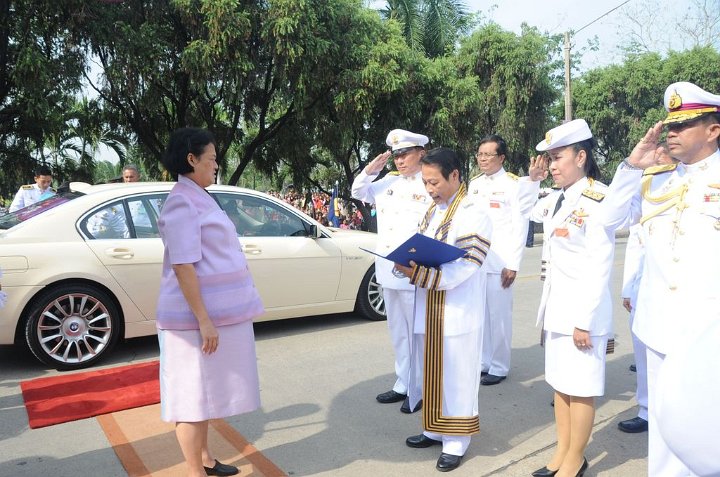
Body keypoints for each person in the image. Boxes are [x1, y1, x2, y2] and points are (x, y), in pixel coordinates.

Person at [600, 81, 720, 476]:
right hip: (659, 325)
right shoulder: (653, 178)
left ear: (713, 129)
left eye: (683, 125)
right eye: (670, 125)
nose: (671, 133)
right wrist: (632, 166)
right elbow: (608, 220)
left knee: (706, 429)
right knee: (665, 431)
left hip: (708, 329)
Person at [156, 127, 264, 477]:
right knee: (190, 398)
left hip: (210, 317)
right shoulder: (181, 201)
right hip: (191, 323)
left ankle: (205, 458)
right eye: (213, 158)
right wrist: (204, 320)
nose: (217, 165)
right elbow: (183, 265)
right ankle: (195, 472)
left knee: (205, 395)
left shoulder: (196, 195)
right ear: (192, 159)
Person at [395, 147, 492, 472]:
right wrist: (405, 263)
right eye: (425, 183)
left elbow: (467, 265)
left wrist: (420, 273)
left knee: (456, 376)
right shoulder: (433, 211)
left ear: (455, 175)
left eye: (434, 182)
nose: (430, 189)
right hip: (429, 306)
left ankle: (456, 440)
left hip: (456, 310)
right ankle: (433, 429)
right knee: (430, 372)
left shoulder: (474, 212)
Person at [529, 119, 614, 477]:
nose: (551, 166)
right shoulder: (555, 199)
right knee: (561, 385)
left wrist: (586, 320)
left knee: (582, 389)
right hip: (557, 310)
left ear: (581, 156)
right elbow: (525, 210)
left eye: (557, 157)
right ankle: (562, 452)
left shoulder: (599, 198)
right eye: (549, 159)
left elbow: (599, 265)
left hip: (583, 313)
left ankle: (576, 459)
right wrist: (532, 182)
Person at [351, 128, 432, 414]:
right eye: (396, 155)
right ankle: (402, 382)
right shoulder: (387, 183)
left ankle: (420, 387)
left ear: (421, 153)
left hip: (414, 269)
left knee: (417, 332)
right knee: (398, 330)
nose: (400, 160)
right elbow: (357, 192)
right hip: (387, 268)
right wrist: (369, 171)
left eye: (405, 154)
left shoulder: (430, 183)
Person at [469, 134, 542, 385]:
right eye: (480, 154)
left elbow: (520, 225)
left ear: (501, 157)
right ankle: (483, 361)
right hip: (477, 260)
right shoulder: (474, 184)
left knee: (499, 316)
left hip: (500, 262)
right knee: (480, 315)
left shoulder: (514, 184)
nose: (483, 159)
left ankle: (499, 366)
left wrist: (513, 264)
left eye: (488, 155)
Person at [617, 224, 649, 434]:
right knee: (643, 356)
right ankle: (646, 410)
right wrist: (628, 290)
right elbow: (635, 249)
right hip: (644, 293)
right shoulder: (648, 199)